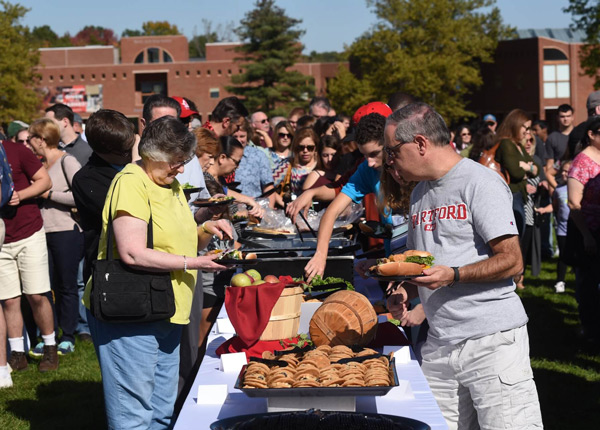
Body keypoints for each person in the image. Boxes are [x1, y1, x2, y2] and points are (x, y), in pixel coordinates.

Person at [384, 102, 543, 429]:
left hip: (492, 343)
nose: (389, 161)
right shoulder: (419, 194)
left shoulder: (479, 182)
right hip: (440, 344)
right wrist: (403, 286)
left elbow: (512, 261)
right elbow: (422, 261)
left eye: (392, 151)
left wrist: (453, 276)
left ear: (420, 144)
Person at [84, 116, 231, 429]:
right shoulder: (131, 182)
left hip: (166, 307)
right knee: (133, 415)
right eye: (177, 162)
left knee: (162, 410)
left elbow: (179, 236)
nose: (181, 169)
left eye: (185, 161)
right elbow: (132, 251)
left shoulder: (171, 184)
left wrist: (206, 228)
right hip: (132, 311)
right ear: (152, 154)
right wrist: (195, 263)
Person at [73, 109, 137, 343]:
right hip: (110, 276)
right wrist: (138, 163)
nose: (128, 153)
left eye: (130, 145)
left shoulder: (134, 162)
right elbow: (125, 212)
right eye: (122, 151)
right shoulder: (86, 178)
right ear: (101, 149)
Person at [0, 129, 56, 373]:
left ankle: (50, 348)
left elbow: (45, 180)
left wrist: (19, 196)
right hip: (1, 238)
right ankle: (18, 354)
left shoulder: (17, 150)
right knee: (9, 300)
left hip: (28, 231)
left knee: (36, 295)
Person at [29, 118, 84, 355]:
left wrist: (49, 193)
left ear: (42, 140)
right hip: (42, 232)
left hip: (66, 231)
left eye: (31, 138)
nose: (29, 143)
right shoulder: (39, 165)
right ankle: (49, 334)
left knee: (66, 286)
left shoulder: (67, 161)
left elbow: (79, 197)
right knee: (45, 286)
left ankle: (68, 335)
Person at [567, 116, 600, 342]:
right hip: (589, 232)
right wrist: (587, 235)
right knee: (589, 286)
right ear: (592, 134)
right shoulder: (582, 162)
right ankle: (590, 332)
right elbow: (573, 203)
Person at [494, 109, 539, 236]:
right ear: (517, 124)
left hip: (520, 195)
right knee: (517, 234)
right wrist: (527, 169)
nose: (528, 132)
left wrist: (525, 167)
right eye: (526, 127)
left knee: (521, 233)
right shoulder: (506, 144)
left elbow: (536, 170)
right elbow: (516, 173)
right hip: (512, 195)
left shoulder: (518, 145)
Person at [552, 160, 572, 293]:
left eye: (567, 171)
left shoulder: (579, 188)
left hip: (577, 229)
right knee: (563, 256)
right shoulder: (558, 190)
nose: (564, 173)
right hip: (562, 229)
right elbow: (555, 207)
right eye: (563, 170)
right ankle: (560, 281)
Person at [545, 104, 574, 189]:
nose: (565, 119)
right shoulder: (552, 137)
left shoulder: (579, 134)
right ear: (557, 118)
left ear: (573, 117)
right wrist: (553, 189)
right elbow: (549, 164)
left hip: (577, 181)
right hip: (559, 182)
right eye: (562, 116)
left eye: (568, 116)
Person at [268, 120, 295, 187]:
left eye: (289, 135)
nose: (285, 138)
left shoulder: (295, 156)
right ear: (276, 136)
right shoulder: (266, 154)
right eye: (282, 135)